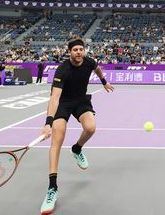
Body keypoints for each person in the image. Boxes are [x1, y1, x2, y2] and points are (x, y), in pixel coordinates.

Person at [39, 37, 114, 214]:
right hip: (63, 102)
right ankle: (52, 188)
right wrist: (48, 123)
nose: (78, 52)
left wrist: (104, 82)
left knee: (90, 128)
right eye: (75, 50)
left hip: (80, 100)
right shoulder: (62, 70)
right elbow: (54, 98)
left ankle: (77, 148)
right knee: (58, 137)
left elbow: (97, 69)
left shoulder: (89, 62)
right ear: (69, 52)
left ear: (84, 51)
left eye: (81, 49)